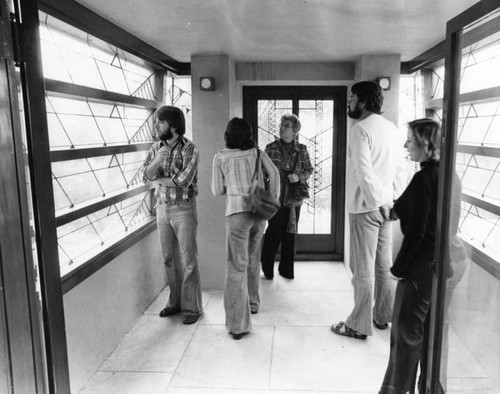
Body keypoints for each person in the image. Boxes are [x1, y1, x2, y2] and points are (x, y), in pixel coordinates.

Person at [332, 81, 405, 339]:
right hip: (387, 208)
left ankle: (358, 325)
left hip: (366, 208)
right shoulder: (392, 129)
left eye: (352, 98)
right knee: (384, 266)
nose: (349, 103)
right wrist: (393, 201)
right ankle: (382, 317)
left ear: (362, 101)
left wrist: (376, 201)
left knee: (362, 268)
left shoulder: (360, 129)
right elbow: (399, 169)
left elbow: (364, 172)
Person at [379, 118, 442, 393]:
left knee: (404, 336)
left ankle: (394, 390)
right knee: (428, 337)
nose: (406, 145)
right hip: (439, 266)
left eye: (410, 141)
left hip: (420, 268)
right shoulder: (443, 174)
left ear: (426, 146)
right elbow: (408, 205)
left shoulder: (423, 178)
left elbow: (416, 232)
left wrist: (398, 269)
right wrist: (394, 208)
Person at [211, 118, 280, 340]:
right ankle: (253, 303)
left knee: (235, 266)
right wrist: (273, 200)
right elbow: (275, 174)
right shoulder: (256, 153)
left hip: (237, 213)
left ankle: (238, 324)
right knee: (252, 258)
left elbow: (217, 190)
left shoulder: (220, 157)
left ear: (228, 135)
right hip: (258, 212)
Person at [141, 105, 203, 325]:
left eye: (160, 121)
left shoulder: (190, 149)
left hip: (183, 208)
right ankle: (174, 302)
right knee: (168, 258)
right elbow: (145, 176)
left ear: (174, 125)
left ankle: (192, 308)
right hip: (162, 208)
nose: (156, 125)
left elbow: (183, 181)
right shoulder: (157, 147)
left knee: (188, 260)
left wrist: (159, 178)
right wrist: (158, 160)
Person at [260, 113, 313, 280]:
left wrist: (299, 177)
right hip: (275, 196)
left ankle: (286, 270)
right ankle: (267, 268)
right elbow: (262, 172)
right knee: (273, 232)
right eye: (282, 126)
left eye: (286, 126)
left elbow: (309, 169)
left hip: (294, 198)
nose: (282, 129)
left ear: (295, 131)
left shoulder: (302, 149)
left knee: (290, 234)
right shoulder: (270, 147)